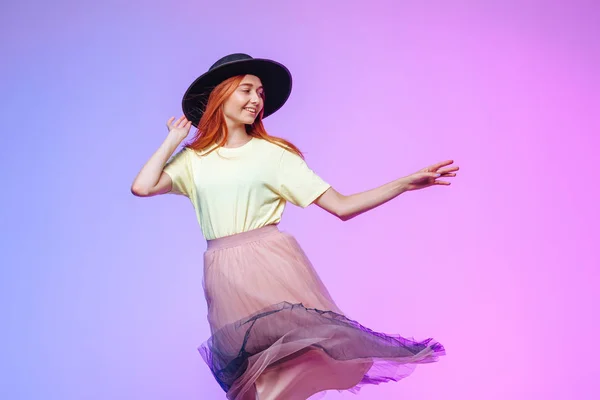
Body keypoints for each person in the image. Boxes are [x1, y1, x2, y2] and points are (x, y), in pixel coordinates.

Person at [131, 53, 456, 400]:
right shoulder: (193, 160)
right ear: (220, 95)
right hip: (223, 274)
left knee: (280, 374)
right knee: (254, 384)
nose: (256, 100)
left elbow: (342, 206)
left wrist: (404, 183)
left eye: (260, 93)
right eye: (246, 90)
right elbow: (142, 187)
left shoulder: (274, 155)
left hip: (270, 267)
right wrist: (172, 140)